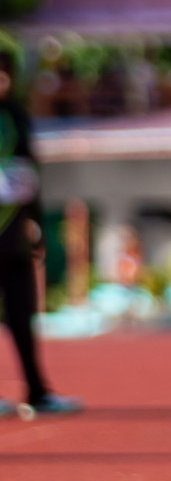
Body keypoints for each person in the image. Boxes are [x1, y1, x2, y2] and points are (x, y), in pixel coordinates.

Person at [0, 50, 82, 417]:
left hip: (13, 234)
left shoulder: (16, 115)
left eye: (5, 73)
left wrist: (34, 223)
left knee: (23, 315)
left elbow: (29, 171)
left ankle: (36, 390)